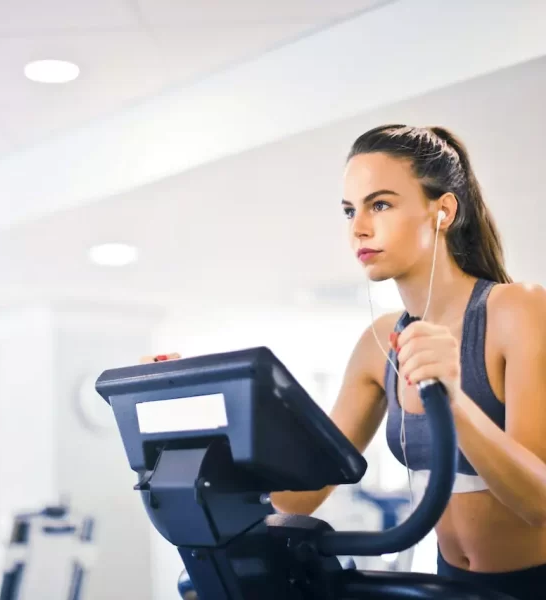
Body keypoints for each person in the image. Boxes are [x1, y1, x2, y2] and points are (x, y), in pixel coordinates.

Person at [142, 125, 546, 599]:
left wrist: (453, 399)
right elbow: (302, 495)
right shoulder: (380, 342)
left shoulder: (515, 310)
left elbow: (539, 502)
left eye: (381, 204)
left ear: (443, 211)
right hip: (450, 584)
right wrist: (191, 416)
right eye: (350, 210)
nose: (358, 228)